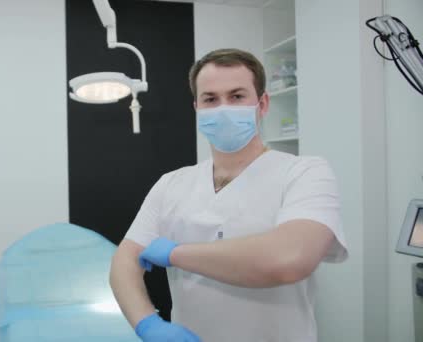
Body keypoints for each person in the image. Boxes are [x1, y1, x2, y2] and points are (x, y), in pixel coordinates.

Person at [109, 48, 348, 342]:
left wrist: (175, 254)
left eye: (237, 96)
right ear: (197, 107)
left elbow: (290, 258)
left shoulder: (304, 173)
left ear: (262, 104)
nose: (223, 108)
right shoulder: (171, 184)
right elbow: (124, 261)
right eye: (210, 99)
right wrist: (147, 324)